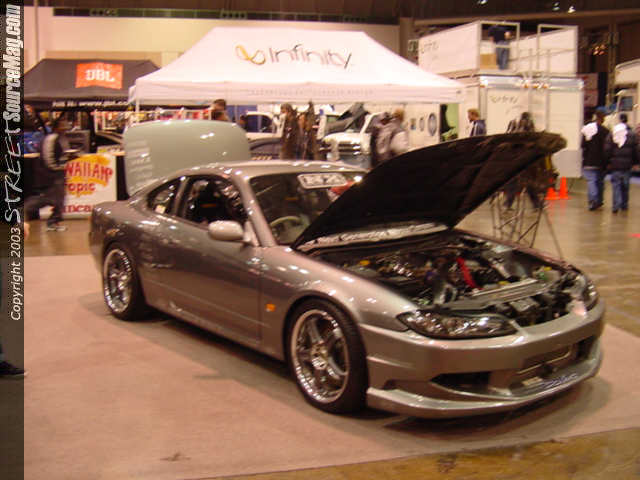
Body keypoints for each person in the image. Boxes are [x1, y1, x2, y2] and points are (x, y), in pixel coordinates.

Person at [24, 117, 76, 232]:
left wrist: (69, 158)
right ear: (56, 127)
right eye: (62, 125)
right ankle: (25, 209)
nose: (65, 127)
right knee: (49, 199)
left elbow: (62, 155)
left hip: (58, 174)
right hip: (50, 175)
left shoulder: (62, 138)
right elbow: (48, 158)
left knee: (59, 199)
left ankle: (53, 221)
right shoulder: (51, 139)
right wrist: (57, 168)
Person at [605, 113, 638, 213]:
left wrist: (607, 161)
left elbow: (607, 149)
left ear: (619, 120)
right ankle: (624, 205)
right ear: (627, 120)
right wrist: (636, 162)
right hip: (627, 165)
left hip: (615, 165)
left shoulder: (613, 133)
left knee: (616, 186)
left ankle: (615, 206)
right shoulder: (632, 134)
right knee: (625, 186)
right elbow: (636, 150)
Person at [581, 108, 610, 210]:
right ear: (603, 118)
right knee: (600, 182)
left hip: (589, 160)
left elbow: (582, 145)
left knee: (591, 181)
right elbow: (608, 147)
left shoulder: (587, 129)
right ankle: (599, 201)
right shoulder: (606, 131)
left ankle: (593, 201)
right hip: (602, 161)